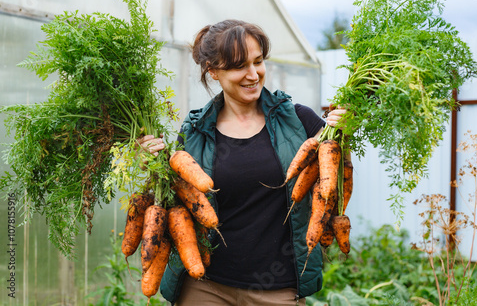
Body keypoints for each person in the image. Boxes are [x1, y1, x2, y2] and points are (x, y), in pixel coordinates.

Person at [139, 19, 346, 305]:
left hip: (277, 290)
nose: (253, 74)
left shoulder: (299, 121)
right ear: (213, 71)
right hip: (204, 287)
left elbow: (335, 188)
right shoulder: (195, 132)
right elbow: (177, 201)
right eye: (239, 66)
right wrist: (153, 162)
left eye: (258, 61)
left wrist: (341, 139)